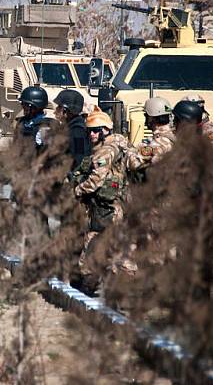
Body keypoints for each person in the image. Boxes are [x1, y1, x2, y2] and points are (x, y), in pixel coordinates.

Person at [72, 107, 130, 294]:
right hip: (110, 206)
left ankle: (90, 284)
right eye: (90, 131)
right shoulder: (113, 146)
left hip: (107, 208)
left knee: (95, 246)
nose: (92, 134)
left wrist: (78, 190)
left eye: (96, 130)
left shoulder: (106, 151)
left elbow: (96, 180)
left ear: (106, 130)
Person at [127, 97, 176, 172]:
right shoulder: (174, 134)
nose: (146, 119)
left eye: (146, 116)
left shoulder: (158, 143)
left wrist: (131, 151)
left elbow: (132, 163)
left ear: (153, 118)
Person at [52, 89, 90, 169]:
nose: (55, 111)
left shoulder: (77, 131)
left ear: (66, 111)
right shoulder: (68, 127)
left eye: (59, 107)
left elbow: (79, 157)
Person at [16, 86, 54, 155]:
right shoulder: (22, 122)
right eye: (22, 103)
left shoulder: (46, 126)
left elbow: (47, 153)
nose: (23, 106)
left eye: (25, 104)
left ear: (34, 106)